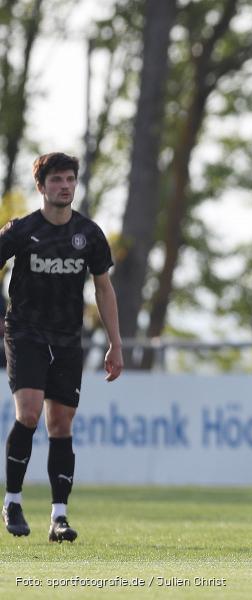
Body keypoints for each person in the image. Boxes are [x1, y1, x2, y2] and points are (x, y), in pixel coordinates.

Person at [1, 152, 123, 541]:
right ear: (41, 186)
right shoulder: (21, 231)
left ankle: (59, 517)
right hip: (25, 333)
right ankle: (13, 500)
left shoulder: (89, 234)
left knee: (60, 423)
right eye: (56, 180)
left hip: (69, 339)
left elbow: (104, 288)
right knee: (31, 413)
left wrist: (115, 344)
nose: (65, 185)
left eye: (70, 179)